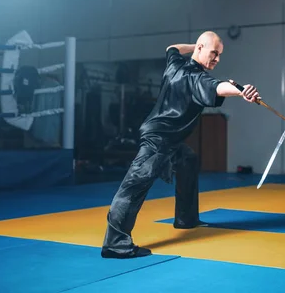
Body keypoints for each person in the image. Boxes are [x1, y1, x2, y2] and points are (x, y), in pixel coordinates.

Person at [101, 31, 260, 259]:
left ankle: (186, 218)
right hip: (158, 140)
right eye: (213, 53)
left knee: (188, 159)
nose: (217, 59)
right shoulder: (197, 78)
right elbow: (218, 87)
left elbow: (172, 47)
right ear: (200, 49)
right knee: (134, 186)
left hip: (170, 140)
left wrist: (196, 46)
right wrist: (241, 91)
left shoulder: (175, 64)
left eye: (219, 55)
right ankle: (115, 244)